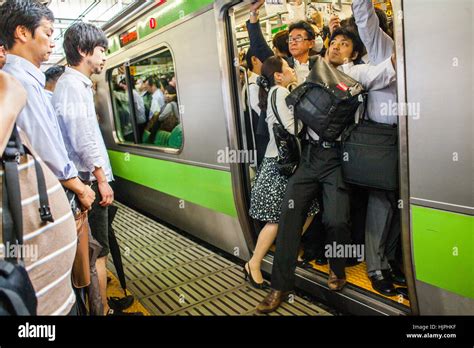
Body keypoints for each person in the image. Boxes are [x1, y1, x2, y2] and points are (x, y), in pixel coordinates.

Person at [247, 0, 397, 314]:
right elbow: (267, 57)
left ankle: (337, 267)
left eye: (345, 44)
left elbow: (391, 67)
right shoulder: (310, 68)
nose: (337, 48)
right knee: (289, 219)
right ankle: (278, 288)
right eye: (335, 42)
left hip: (336, 160)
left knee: (337, 220)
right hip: (309, 158)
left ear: (354, 53)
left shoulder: (360, 74)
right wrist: (252, 22)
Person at [0, 0, 95, 314]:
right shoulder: (19, 82)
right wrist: (80, 188)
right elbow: (48, 148)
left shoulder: (29, 81)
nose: (53, 41)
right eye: (47, 32)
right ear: (22, 33)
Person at [53, 21, 115, 315]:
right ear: (82, 50)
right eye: (101, 49)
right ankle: (100, 311)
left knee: (94, 252)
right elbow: (83, 139)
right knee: (98, 253)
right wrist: (101, 179)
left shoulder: (72, 85)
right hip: (87, 181)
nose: (104, 56)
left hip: (86, 180)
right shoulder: (73, 86)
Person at [245, 56, 319, 287]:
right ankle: (254, 263)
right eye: (287, 67)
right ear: (278, 75)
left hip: (280, 162)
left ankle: (287, 251)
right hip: (280, 164)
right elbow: (291, 127)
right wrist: (310, 121)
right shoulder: (279, 92)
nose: (291, 70)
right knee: (278, 218)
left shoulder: (279, 91)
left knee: (307, 209)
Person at [352, 0, 404, 296]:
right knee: (382, 202)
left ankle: (391, 258)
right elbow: (364, 16)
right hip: (383, 136)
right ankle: (375, 265)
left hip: (409, 138)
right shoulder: (383, 46)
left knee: (399, 202)